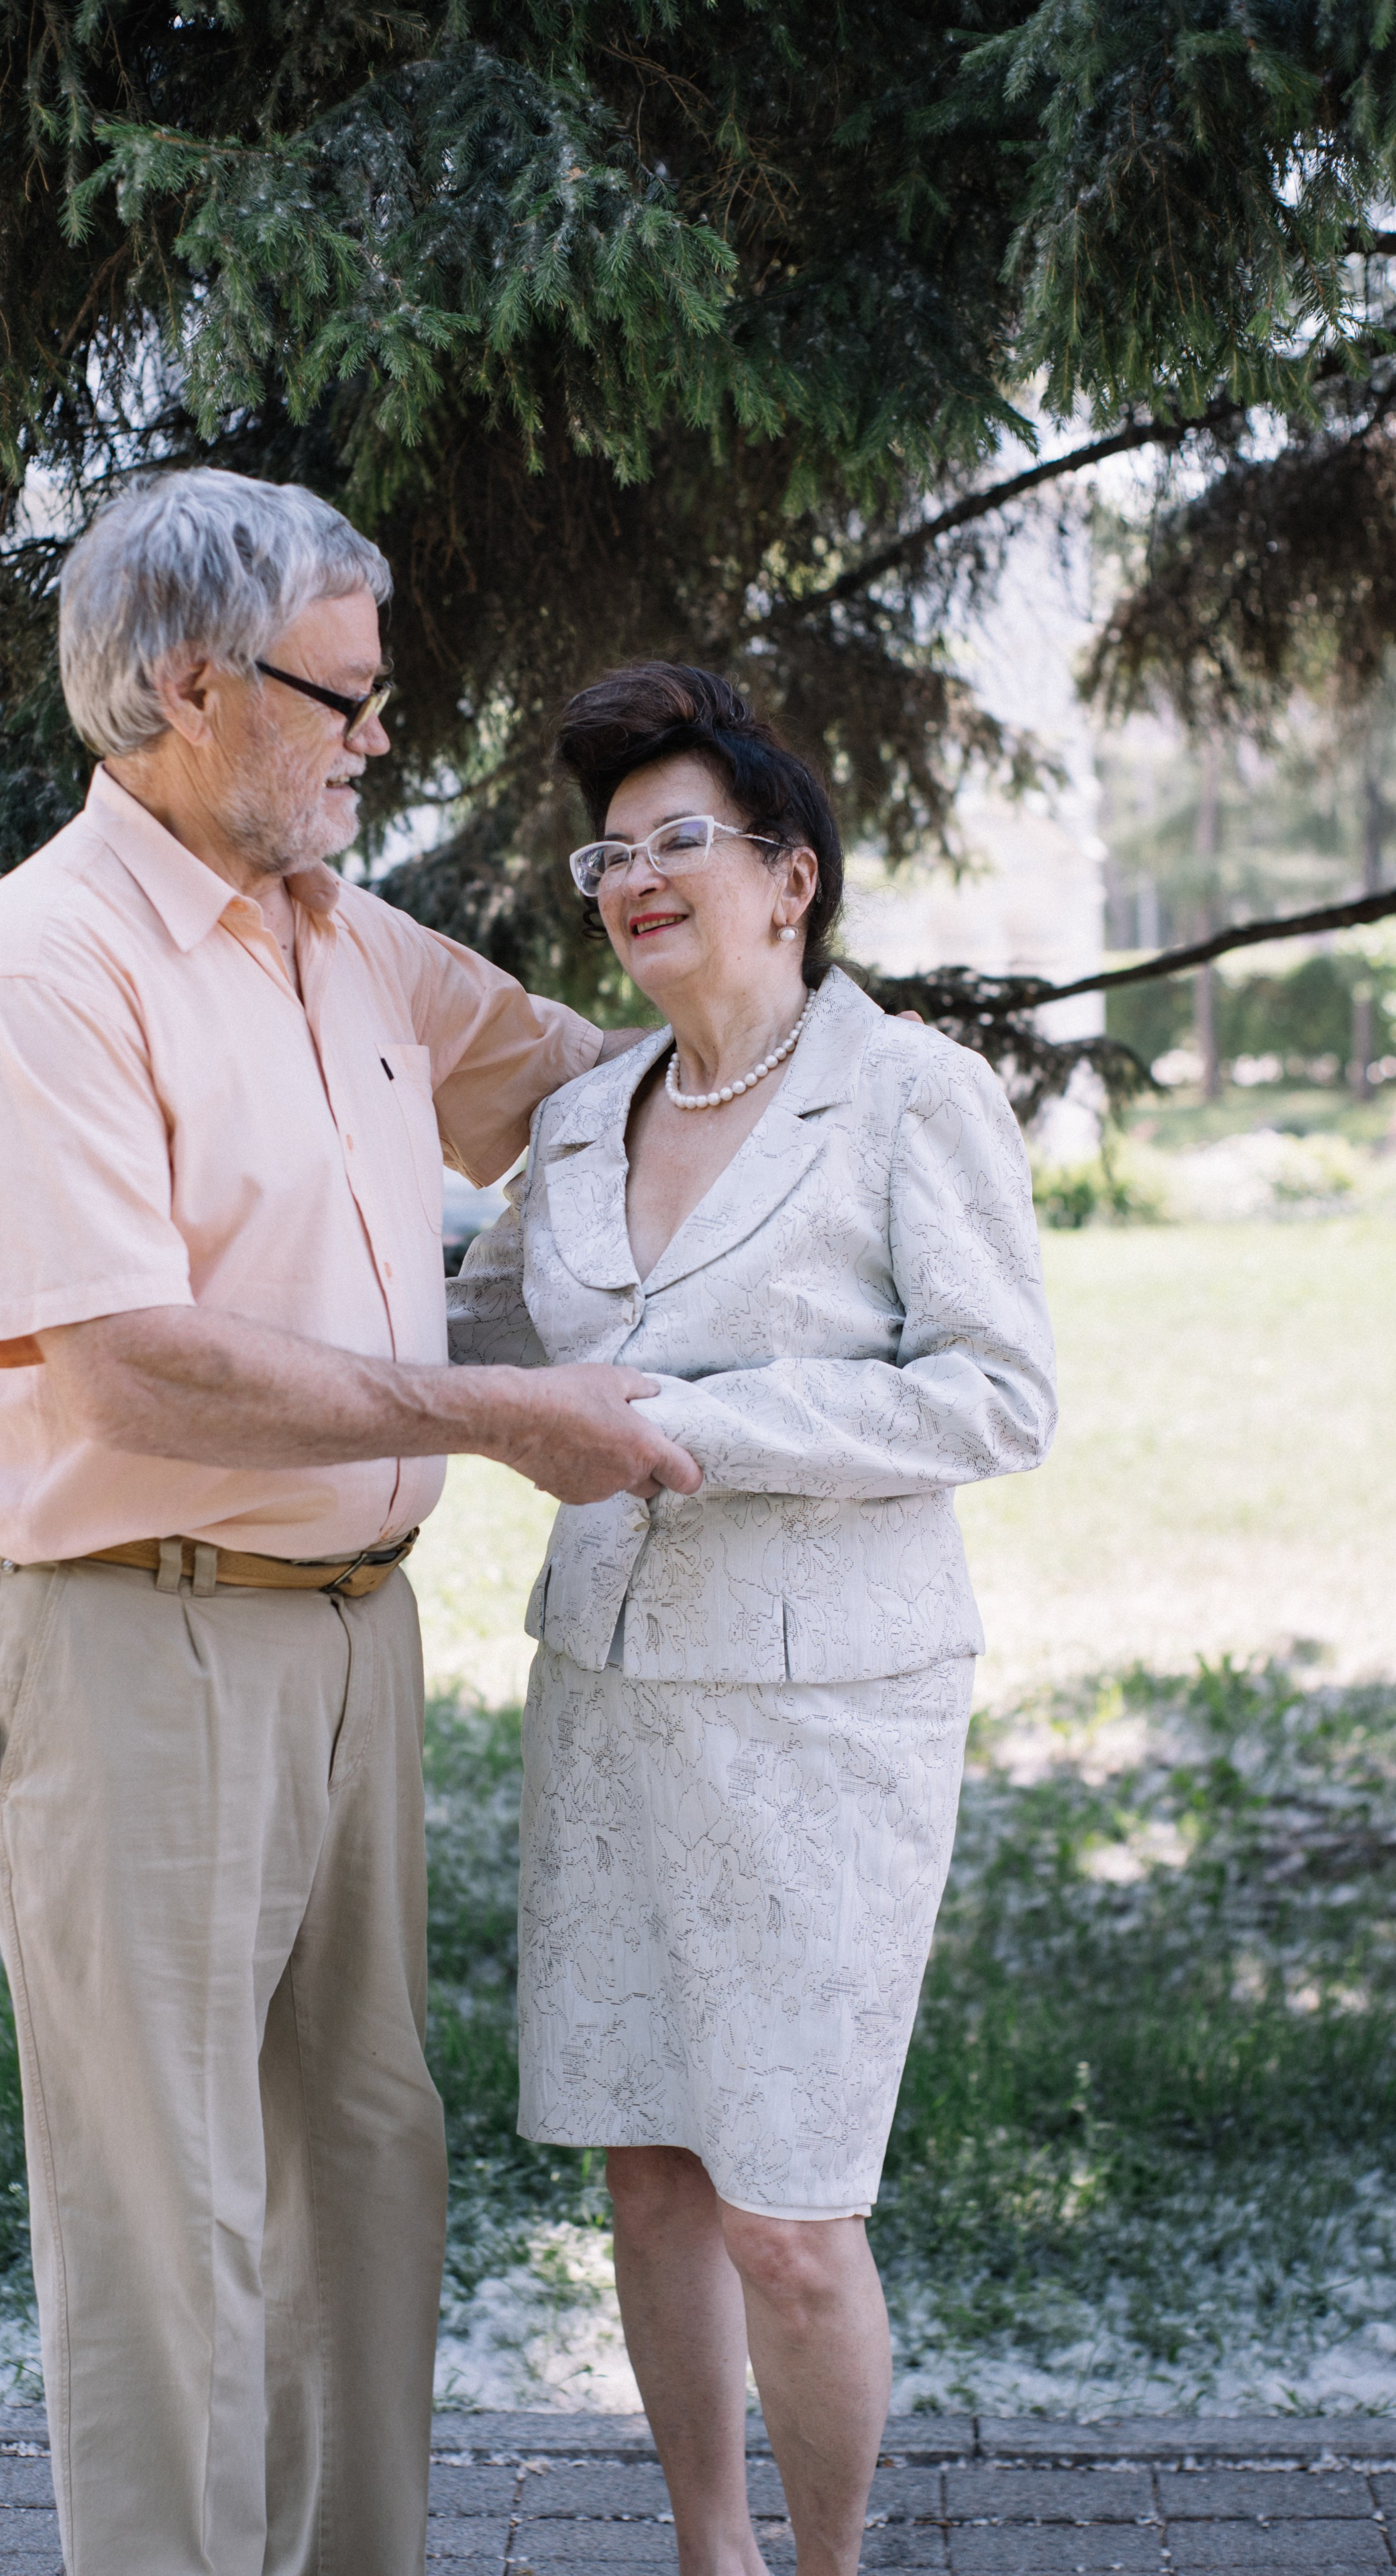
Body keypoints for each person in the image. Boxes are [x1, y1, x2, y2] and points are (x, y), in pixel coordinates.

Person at [0, 473, 702, 2576]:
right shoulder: (40, 980)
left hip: (352, 1630)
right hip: (122, 1635)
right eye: (342, 696)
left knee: (360, 2162)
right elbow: (123, 1367)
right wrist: (499, 1411)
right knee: (166, 2202)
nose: (376, 736)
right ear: (189, 686)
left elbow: (592, 1082)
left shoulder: (348, 946)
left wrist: (798, 1030)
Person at [448, 664, 1058, 2576]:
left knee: (789, 2212)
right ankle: (711, 2554)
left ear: (792, 879)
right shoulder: (578, 1118)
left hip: (825, 1726)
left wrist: (694, 1428)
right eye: (608, 855)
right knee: (648, 2176)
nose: (634, 880)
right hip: (613, 1702)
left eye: (679, 842)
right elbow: (464, 1344)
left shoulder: (911, 1094)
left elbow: (996, 1395)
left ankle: (828, 2564)